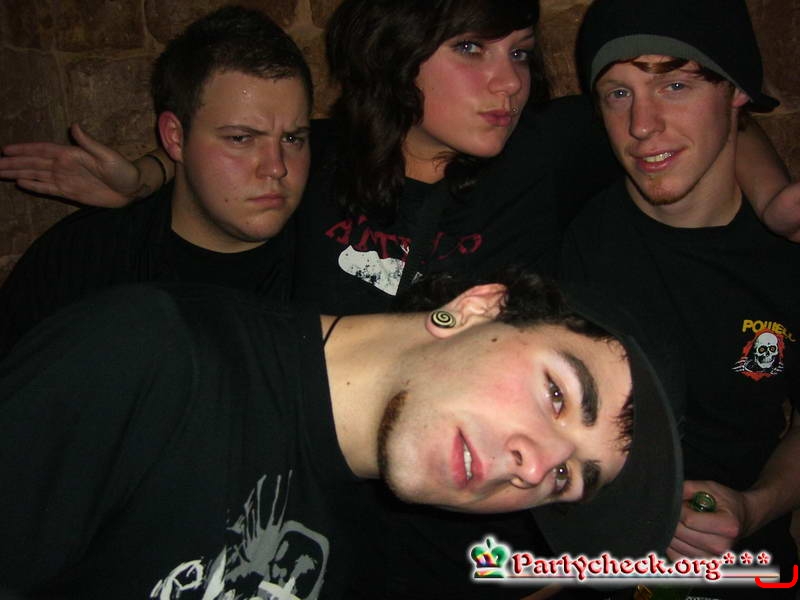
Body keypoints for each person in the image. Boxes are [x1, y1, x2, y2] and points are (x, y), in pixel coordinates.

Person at [0, 1, 793, 597]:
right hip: (319, 523)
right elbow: (237, 158)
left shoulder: (547, 154)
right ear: (397, 51)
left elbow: (683, 111)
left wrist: (775, 196)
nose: (508, 82)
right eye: (472, 48)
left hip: (470, 550)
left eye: (521, 53)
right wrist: (150, 174)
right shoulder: (321, 158)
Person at [0, 270, 681, 600]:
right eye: (557, 394)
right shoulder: (150, 358)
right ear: (477, 309)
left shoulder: (368, 559)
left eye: (566, 478)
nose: (535, 469)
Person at [561, 0, 800, 597]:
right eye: (618, 93)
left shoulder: (787, 253)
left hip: (744, 561)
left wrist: (755, 505)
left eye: (675, 84)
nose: (642, 125)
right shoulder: (564, 227)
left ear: (737, 92)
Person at [0, 5, 313, 356]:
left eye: (292, 139)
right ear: (175, 138)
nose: (276, 168)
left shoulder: (332, 237)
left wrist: (146, 174)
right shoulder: (83, 261)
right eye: (241, 138)